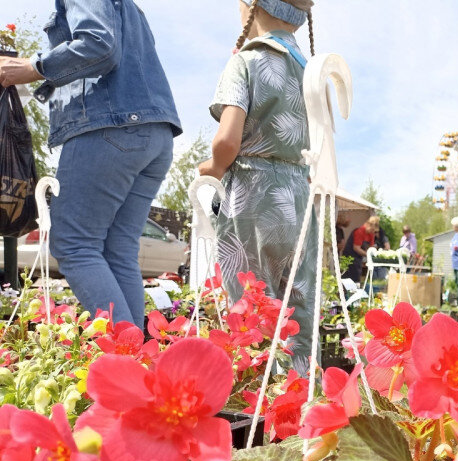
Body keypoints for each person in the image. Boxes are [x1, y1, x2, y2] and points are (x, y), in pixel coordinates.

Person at [0, 1, 181, 328]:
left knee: (74, 243)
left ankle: (127, 358)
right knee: (118, 250)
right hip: (154, 133)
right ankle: (139, 362)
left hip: (109, 130)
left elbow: (98, 45)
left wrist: (33, 66)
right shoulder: (130, 8)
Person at [199, 0, 315, 372]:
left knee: (251, 300)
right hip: (300, 194)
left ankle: (258, 398)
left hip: (253, 192)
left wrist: (212, 168)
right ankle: (297, 393)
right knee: (298, 300)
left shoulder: (246, 62)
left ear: (251, 7)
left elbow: (226, 142)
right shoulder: (312, 71)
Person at [342, 216, 378, 283]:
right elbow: (356, 248)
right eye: (372, 229)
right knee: (348, 278)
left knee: (357, 277)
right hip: (349, 257)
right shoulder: (359, 231)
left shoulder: (371, 234)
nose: (372, 232)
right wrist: (368, 255)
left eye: (374, 230)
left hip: (358, 258)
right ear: (368, 225)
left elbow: (371, 247)